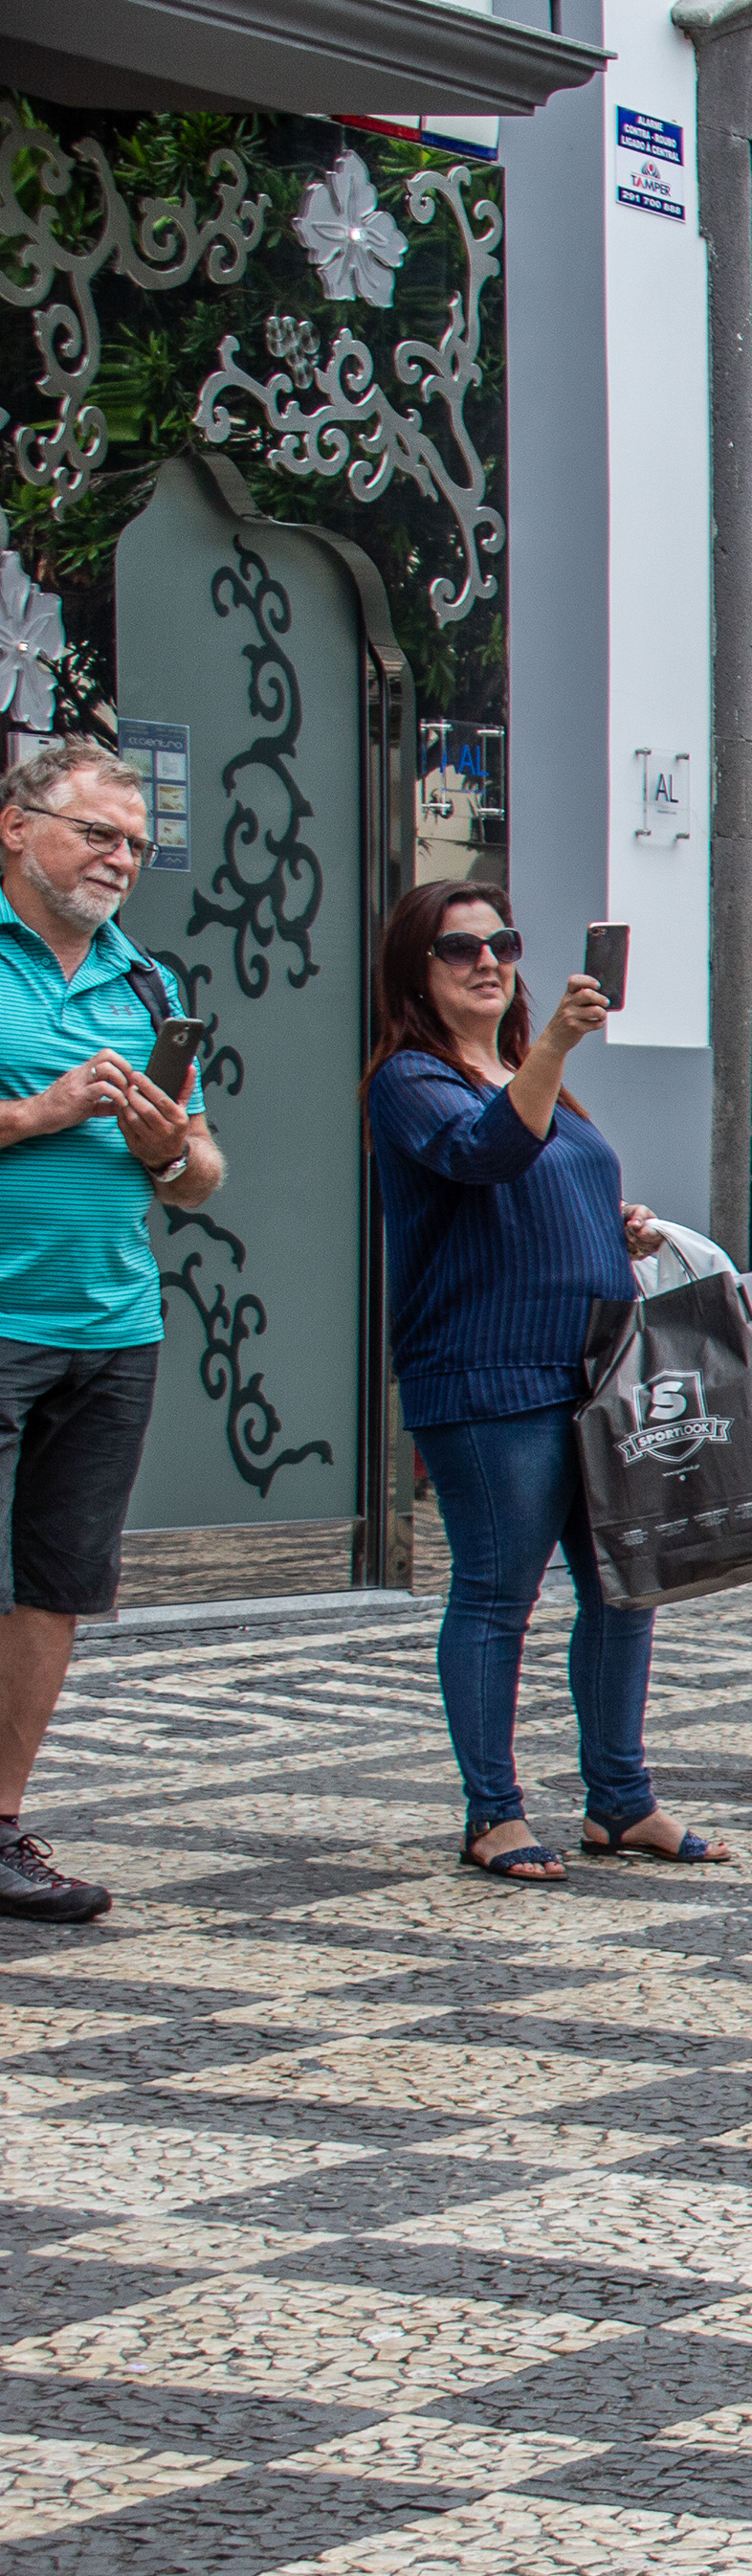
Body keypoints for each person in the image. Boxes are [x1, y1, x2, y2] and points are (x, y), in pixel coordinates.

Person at [364, 882, 722, 1882]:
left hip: (593, 1370)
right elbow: (484, 1160)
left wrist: (621, 1228)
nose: (488, 961)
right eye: (458, 949)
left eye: (503, 942)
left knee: (623, 1590)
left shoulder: (532, 1077)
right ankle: (494, 1813)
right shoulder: (412, 1081)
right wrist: (556, 1048)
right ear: (415, 973)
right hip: (486, 1378)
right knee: (496, 1594)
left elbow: (550, 1184)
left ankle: (621, 1802)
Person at [0, 743, 220, 1923]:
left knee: (56, 1585)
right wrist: (37, 1114)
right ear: (16, 826)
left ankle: (1, 1827)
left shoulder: (148, 984)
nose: (120, 859)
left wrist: (163, 1147)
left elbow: (201, 1173)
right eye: (97, 834)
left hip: (110, 1324)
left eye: (133, 843)